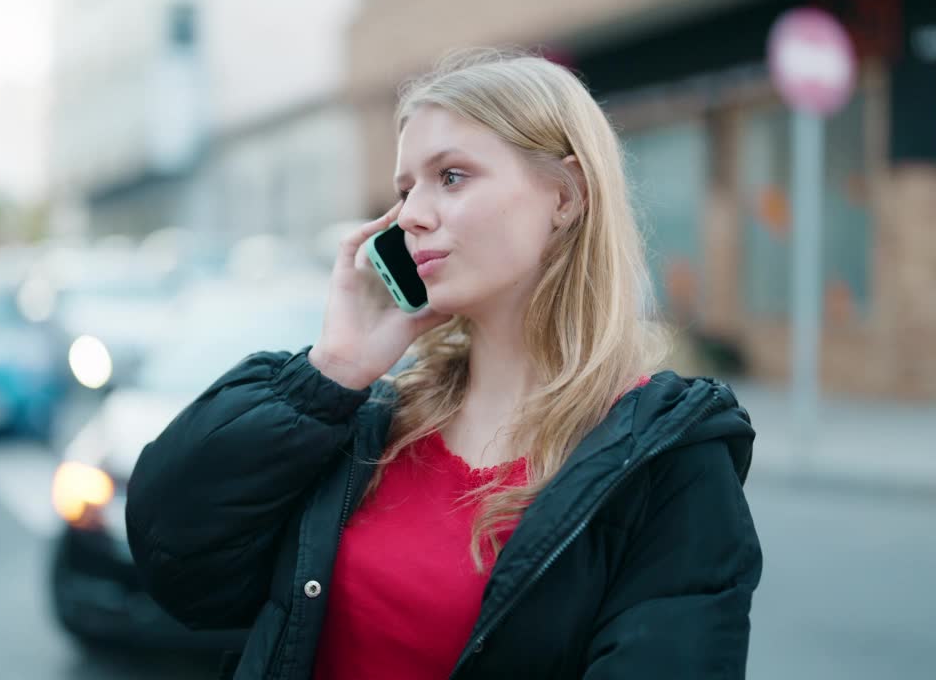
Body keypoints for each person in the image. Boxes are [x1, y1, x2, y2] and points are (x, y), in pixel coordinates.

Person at [126, 49, 762, 679]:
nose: (412, 216)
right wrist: (331, 373)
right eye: (406, 190)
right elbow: (176, 559)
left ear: (565, 196)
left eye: (451, 177)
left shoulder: (667, 459)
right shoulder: (372, 420)